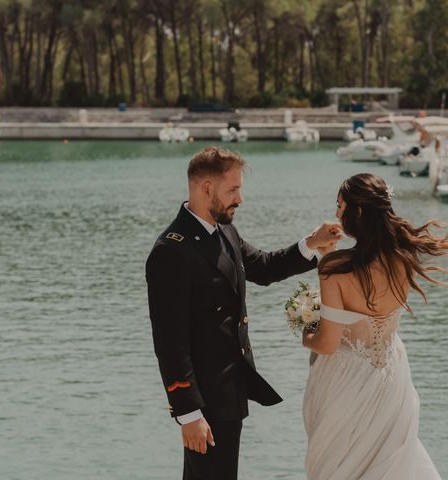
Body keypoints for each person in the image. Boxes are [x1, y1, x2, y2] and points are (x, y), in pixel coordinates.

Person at [146, 146, 341, 480]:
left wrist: (312, 242)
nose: (240, 199)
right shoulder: (171, 251)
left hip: (228, 392)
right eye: (233, 190)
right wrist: (188, 412)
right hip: (204, 402)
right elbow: (170, 341)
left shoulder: (223, 232)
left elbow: (263, 267)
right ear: (206, 188)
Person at [302, 173, 448, 479]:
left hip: (345, 381)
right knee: (391, 463)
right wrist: (332, 257)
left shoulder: (334, 269)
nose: (337, 214)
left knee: (339, 466)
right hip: (391, 377)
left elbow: (327, 343)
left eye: (340, 207)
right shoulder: (403, 257)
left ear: (359, 212)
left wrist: (306, 334)